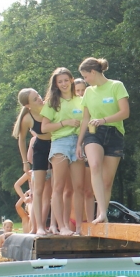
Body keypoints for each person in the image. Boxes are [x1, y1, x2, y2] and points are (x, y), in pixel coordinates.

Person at [76, 57, 130, 224]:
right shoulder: (88, 92)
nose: (85, 80)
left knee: (107, 182)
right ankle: (101, 214)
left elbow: (125, 112)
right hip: (94, 133)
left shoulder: (116, 86)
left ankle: (102, 214)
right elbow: (85, 119)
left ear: (93, 72)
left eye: (85, 76)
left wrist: (104, 120)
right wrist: (79, 143)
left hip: (114, 134)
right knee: (94, 165)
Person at [40, 67, 86, 235]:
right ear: (56, 84)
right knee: (58, 187)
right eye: (60, 81)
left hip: (78, 143)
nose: (64, 84)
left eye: (66, 80)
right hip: (60, 143)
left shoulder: (81, 100)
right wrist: (64, 123)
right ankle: (62, 226)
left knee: (78, 187)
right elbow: (44, 128)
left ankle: (80, 227)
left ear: (72, 80)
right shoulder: (52, 102)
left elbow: (86, 121)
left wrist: (81, 143)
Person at [13, 88, 52, 236]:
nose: (40, 99)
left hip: (55, 146)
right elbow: (21, 139)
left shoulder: (50, 107)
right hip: (40, 150)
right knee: (38, 192)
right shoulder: (27, 118)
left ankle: (47, 225)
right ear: (28, 105)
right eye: (35, 99)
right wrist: (25, 162)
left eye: (38, 95)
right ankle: (37, 227)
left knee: (50, 193)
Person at [74, 78, 96, 228]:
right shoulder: (69, 105)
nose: (81, 93)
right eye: (77, 90)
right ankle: (77, 225)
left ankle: (90, 223)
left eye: (83, 90)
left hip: (88, 145)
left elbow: (92, 127)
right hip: (73, 147)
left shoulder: (91, 104)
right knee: (76, 189)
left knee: (89, 190)